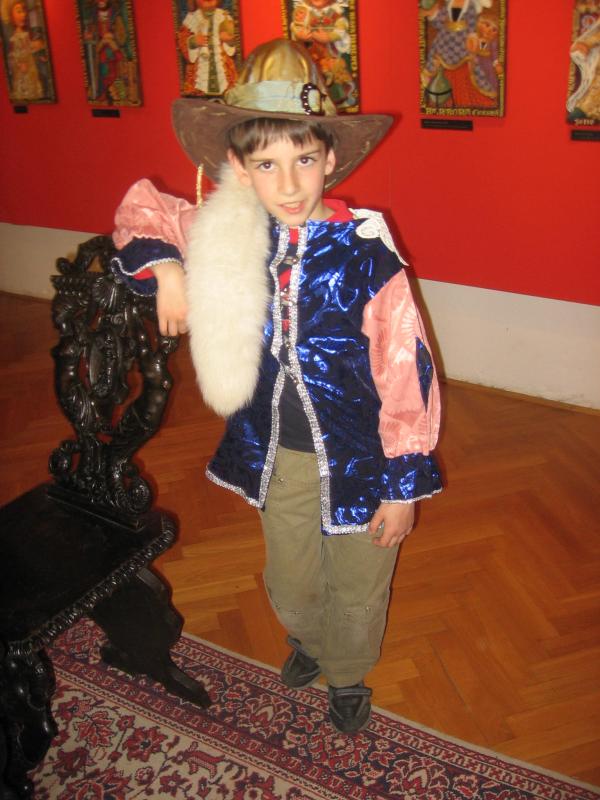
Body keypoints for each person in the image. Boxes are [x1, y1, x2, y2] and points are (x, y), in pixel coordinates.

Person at [111, 38, 442, 734]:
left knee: (359, 581)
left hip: (363, 458)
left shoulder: (366, 255)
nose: (289, 184)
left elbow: (405, 370)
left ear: (330, 159)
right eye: (266, 164)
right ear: (237, 168)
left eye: (304, 161)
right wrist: (168, 272)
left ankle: (347, 671)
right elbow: (141, 209)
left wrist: (402, 485)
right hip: (276, 452)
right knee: (290, 579)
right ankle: (308, 639)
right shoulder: (225, 232)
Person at [177, 0, 237, 97]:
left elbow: (234, 40)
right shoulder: (191, 19)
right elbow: (182, 39)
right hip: (200, 67)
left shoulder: (224, 16)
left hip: (221, 65)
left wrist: (228, 40)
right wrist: (193, 41)